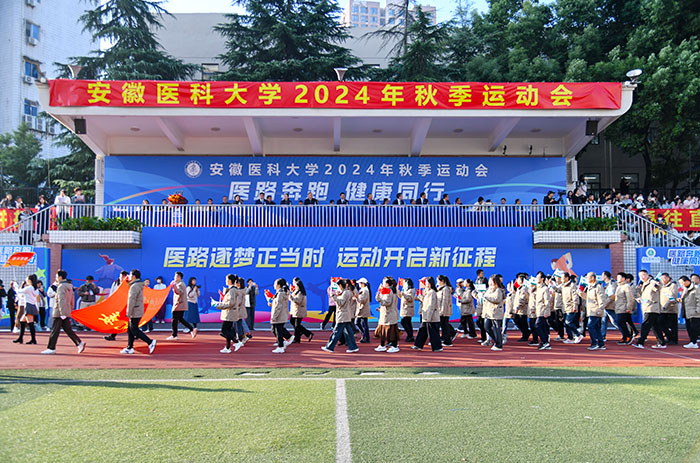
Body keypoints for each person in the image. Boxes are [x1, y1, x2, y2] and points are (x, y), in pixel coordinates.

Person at [42, 270, 85, 354]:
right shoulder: (69, 286)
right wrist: (70, 310)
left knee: (55, 330)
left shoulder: (61, 287)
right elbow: (72, 299)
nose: (56, 278)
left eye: (56, 277)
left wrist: (62, 313)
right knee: (68, 329)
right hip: (66, 311)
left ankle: (51, 348)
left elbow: (61, 300)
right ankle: (79, 343)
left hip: (59, 312)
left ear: (60, 277)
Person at [121, 269, 157, 355]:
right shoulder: (137, 285)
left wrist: (128, 312)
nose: (129, 277)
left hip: (135, 311)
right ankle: (130, 347)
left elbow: (131, 300)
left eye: (130, 275)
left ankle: (150, 342)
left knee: (134, 329)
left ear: (134, 276)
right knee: (130, 329)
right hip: (137, 310)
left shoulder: (134, 286)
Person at [322, 279, 359, 353]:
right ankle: (353, 347)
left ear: (340, 285)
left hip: (342, 315)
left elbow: (341, 303)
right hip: (346, 315)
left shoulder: (345, 293)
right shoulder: (347, 292)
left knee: (336, 331)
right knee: (348, 332)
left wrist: (334, 296)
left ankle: (330, 347)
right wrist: (338, 295)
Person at [632, 270, 666, 349]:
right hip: (647, 306)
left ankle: (640, 342)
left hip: (652, 307)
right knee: (655, 326)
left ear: (648, 275)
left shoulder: (652, 282)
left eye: (644, 275)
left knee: (645, 325)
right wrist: (640, 299)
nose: (642, 277)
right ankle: (661, 342)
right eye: (640, 276)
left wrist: (656, 283)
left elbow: (658, 286)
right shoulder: (644, 284)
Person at [214, 274, 243, 353]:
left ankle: (236, 342)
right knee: (228, 330)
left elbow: (231, 303)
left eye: (226, 280)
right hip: (229, 312)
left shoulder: (232, 290)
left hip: (229, 313)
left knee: (224, 330)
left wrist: (220, 306)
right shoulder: (231, 289)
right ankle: (227, 347)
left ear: (230, 281)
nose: (225, 281)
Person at [412, 276, 442, 351]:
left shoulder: (432, 292)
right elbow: (425, 301)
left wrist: (428, 317)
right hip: (426, 315)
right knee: (422, 330)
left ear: (430, 283)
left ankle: (437, 347)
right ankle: (418, 345)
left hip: (430, 316)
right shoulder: (428, 291)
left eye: (426, 282)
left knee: (433, 332)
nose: (425, 284)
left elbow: (431, 305)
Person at [166, 272, 197, 341]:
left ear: (179, 277)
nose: (174, 277)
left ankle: (174, 335)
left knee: (174, 320)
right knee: (180, 319)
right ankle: (191, 329)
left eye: (176, 276)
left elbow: (178, 292)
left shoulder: (180, 284)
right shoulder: (180, 284)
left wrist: (173, 286)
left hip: (179, 305)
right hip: (181, 304)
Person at [374, 277, 400, 352]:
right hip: (386, 313)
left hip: (389, 314)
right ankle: (382, 345)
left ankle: (394, 346)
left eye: (384, 282)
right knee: (383, 330)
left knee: (391, 331)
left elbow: (387, 302)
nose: (382, 284)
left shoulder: (389, 291)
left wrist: (379, 299)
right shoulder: (390, 290)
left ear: (387, 284)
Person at [582, 272, 606, 351]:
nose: (586, 279)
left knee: (590, 326)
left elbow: (601, 299)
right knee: (596, 327)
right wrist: (580, 293)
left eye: (588, 277)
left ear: (593, 278)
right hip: (591, 310)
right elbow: (587, 298)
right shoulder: (589, 287)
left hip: (596, 310)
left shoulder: (598, 287)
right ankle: (601, 344)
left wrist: (600, 309)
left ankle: (594, 343)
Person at [13, 275, 40, 345]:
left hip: (29, 305)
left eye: (27, 280)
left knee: (30, 324)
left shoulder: (29, 288)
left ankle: (33, 339)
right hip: (31, 305)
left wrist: (16, 286)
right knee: (22, 321)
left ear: (30, 280)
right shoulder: (35, 289)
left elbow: (19, 291)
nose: (26, 281)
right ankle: (20, 338)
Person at [482, 275, 506, 350]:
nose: (489, 282)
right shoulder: (489, 289)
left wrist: (486, 297)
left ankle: (499, 345)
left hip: (496, 312)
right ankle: (498, 341)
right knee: (487, 327)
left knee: (496, 328)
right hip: (489, 312)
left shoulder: (498, 290)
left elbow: (497, 299)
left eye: (491, 281)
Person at [270, 278, 293, 353]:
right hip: (281, 314)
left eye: (275, 284)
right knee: (276, 330)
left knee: (278, 331)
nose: (274, 285)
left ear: (279, 285)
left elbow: (278, 306)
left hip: (279, 315)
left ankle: (281, 346)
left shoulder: (280, 293)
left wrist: (274, 316)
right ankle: (285, 340)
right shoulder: (282, 292)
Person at [614, 272, 636, 345]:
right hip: (618, 307)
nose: (617, 279)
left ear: (623, 278)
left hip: (623, 308)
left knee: (620, 322)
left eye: (619, 277)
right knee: (620, 323)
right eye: (617, 277)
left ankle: (628, 336)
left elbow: (630, 298)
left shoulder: (626, 286)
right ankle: (625, 336)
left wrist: (629, 308)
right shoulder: (618, 287)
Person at [560, 273, 583, 344]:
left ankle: (578, 335)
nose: (561, 279)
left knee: (568, 322)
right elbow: (558, 290)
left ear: (567, 278)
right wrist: (552, 285)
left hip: (571, 307)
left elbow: (575, 296)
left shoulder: (572, 285)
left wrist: (575, 306)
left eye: (562, 277)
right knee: (566, 323)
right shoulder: (563, 285)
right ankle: (570, 337)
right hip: (565, 307)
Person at [289, 277, 313, 343]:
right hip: (295, 310)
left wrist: (291, 297)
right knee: (293, 322)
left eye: (296, 285)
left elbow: (297, 301)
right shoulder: (296, 291)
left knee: (297, 325)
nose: (295, 286)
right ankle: (298, 337)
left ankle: (308, 333)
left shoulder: (300, 293)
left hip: (299, 310)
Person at [679, 276, 700, 348]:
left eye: (682, 282)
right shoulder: (685, 289)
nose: (681, 284)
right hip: (687, 311)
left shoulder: (696, 288)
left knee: (694, 328)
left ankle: (694, 342)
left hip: (694, 312)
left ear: (687, 281)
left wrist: (698, 310)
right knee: (689, 328)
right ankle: (692, 342)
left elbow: (699, 300)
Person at [659, 273, 679, 345]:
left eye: (664, 278)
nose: (663, 280)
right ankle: (669, 337)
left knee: (673, 326)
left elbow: (672, 296)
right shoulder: (661, 286)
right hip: (662, 309)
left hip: (671, 308)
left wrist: (665, 306)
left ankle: (674, 340)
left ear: (668, 278)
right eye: (661, 278)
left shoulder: (673, 285)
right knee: (660, 323)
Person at [533, 271, 552, 350]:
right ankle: (546, 342)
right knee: (543, 327)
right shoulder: (538, 288)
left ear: (542, 279)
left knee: (537, 326)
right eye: (536, 277)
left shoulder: (545, 288)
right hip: (538, 310)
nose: (537, 279)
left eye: (538, 277)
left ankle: (544, 341)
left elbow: (547, 301)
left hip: (542, 311)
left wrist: (546, 311)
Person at [437, 275, 456, 346]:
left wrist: (442, 311)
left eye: (438, 281)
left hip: (444, 311)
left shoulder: (445, 289)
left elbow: (445, 301)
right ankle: (445, 338)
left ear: (442, 281)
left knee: (444, 326)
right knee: (444, 325)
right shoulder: (440, 289)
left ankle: (447, 341)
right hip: (441, 310)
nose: (437, 282)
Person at [512, 274, 530, 342]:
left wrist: (518, 306)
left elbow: (522, 298)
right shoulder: (519, 287)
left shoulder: (524, 288)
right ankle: (526, 332)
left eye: (518, 280)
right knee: (517, 320)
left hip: (522, 309)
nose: (517, 281)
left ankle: (525, 335)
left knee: (523, 322)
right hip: (518, 308)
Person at [600, 271, 618, 341]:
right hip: (606, 306)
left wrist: (605, 304)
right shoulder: (606, 284)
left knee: (615, 321)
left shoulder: (612, 283)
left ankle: (627, 332)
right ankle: (602, 336)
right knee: (603, 321)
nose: (601, 277)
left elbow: (611, 296)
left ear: (605, 276)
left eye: (602, 275)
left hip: (610, 306)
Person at [355, 278, 371, 343]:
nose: (359, 284)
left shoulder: (365, 290)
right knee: (360, 323)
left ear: (362, 283)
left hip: (363, 309)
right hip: (362, 309)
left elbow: (363, 300)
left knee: (363, 324)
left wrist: (357, 297)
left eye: (359, 283)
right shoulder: (363, 290)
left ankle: (366, 337)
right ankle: (364, 336)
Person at [399, 278, 415, 343]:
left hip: (408, 308)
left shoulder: (411, 290)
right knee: (408, 322)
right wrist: (400, 293)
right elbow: (402, 297)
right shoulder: (405, 289)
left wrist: (404, 294)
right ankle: (410, 335)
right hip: (404, 308)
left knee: (404, 322)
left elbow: (410, 298)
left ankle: (410, 335)